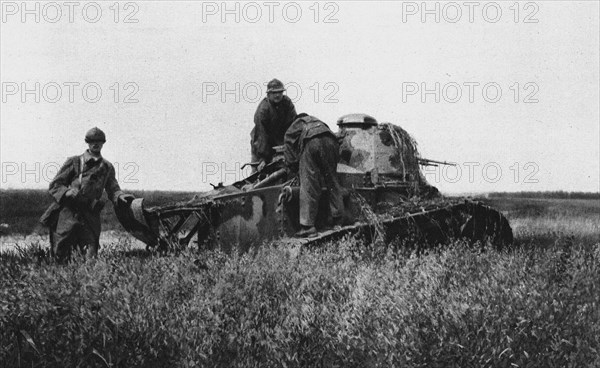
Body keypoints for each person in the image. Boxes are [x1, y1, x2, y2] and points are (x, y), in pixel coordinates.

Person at [40, 127, 134, 261]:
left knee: (90, 254)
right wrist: (67, 192)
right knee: (61, 252)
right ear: (87, 143)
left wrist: (120, 196)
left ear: (103, 143)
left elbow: (113, 188)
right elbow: (55, 185)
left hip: (90, 214)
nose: (95, 144)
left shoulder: (107, 167)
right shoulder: (74, 162)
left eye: (99, 141)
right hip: (69, 213)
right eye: (92, 141)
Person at [284, 113, 344, 238]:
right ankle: (338, 220)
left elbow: (288, 138)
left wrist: (292, 164)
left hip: (312, 141)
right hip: (331, 142)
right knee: (333, 181)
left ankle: (308, 227)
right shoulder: (318, 120)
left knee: (309, 184)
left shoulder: (297, 122)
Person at [250, 78, 297, 172]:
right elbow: (261, 135)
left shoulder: (287, 103)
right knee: (258, 174)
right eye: (274, 93)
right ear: (268, 94)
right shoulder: (263, 109)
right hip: (261, 144)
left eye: (280, 92)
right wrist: (262, 158)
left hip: (280, 143)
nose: (278, 95)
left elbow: (294, 125)